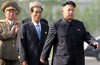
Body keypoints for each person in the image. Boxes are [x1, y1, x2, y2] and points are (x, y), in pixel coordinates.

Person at [40, 1, 99, 65]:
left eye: (73, 10)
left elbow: (86, 35)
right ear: (63, 12)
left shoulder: (79, 24)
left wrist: (93, 42)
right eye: (69, 10)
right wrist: (43, 58)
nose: (71, 12)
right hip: (61, 62)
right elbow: (48, 43)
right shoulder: (56, 26)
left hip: (78, 61)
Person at [18, 1, 49, 65]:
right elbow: (21, 43)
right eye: (36, 12)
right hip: (30, 60)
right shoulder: (25, 26)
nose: (38, 14)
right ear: (31, 13)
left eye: (40, 12)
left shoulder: (46, 26)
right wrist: (23, 60)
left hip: (43, 60)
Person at [0, 1, 20, 65]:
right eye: (9, 12)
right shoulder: (1, 24)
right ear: (5, 13)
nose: (11, 13)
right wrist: (10, 33)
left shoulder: (19, 24)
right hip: (3, 55)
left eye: (13, 12)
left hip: (15, 56)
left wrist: (18, 33)